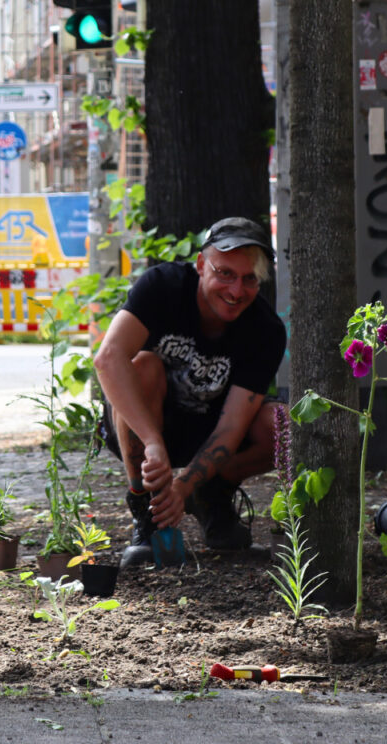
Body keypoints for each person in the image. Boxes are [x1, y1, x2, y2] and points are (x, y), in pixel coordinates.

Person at [93, 217, 287, 567]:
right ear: (201, 265)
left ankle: (209, 494)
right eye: (225, 273)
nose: (236, 290)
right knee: (145, 365)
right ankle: (146, 508)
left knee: (281, 425)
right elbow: (107, 358)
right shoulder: (162, 286)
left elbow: (231, 428)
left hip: (210, 432)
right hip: (142, 422)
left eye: (249, 279)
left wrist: (183, 487)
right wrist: (152, 441)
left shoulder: (265, 330)